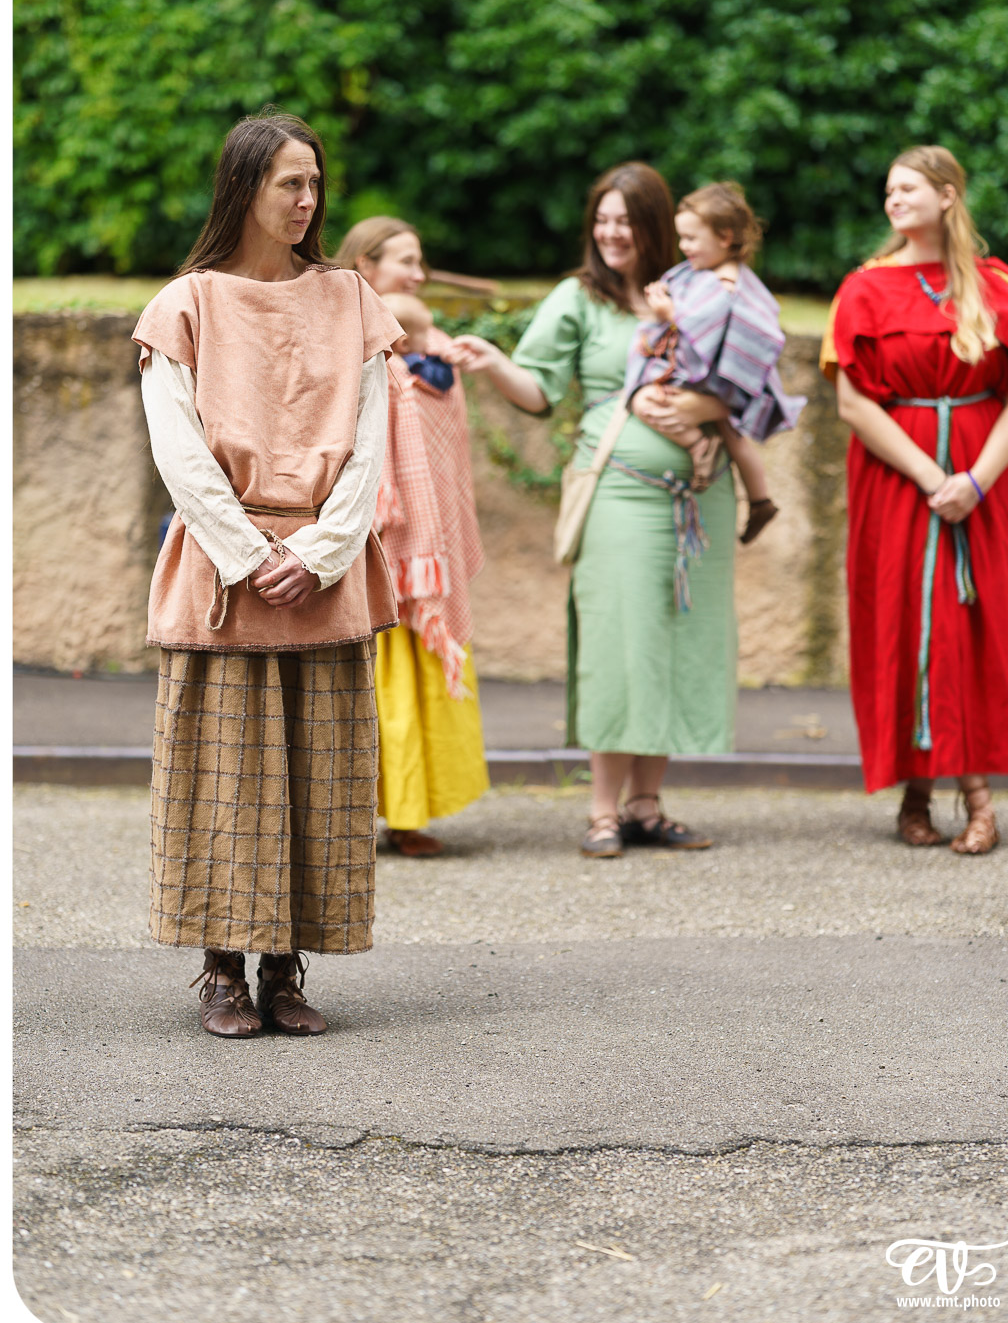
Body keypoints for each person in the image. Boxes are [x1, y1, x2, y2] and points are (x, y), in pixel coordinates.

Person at [133, 110, 402, 1037]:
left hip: (322, 572)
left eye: (315, 183)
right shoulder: (188, 303)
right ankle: (220, 970)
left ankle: (285, 966)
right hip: (226, 574)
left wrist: (321, 551)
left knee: (317, 777)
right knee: (226, 774)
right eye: (290, 182)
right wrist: (249, 556)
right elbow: (179, 450)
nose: (307, 199)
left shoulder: (351, 299)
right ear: (245, 187)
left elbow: (372, 442)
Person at [451, 162, 737, 858]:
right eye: (600, 220)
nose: (610, 232)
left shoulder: (694, 290)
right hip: (619, 490)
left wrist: (699, 414)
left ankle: (647, 804)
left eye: (624, 220)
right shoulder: (578, 298)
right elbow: (540, 389)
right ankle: (602, 810)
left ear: (655, 225)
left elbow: (744, 378)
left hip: (699, 496)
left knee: (677, 639)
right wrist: (493, 362)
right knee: (620, 640)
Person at [821, 145, 1008, 854]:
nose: (892, 199)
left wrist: (974, 480)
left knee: (977, 621)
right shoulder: (861, 288)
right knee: (903, 619)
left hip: (985, 479)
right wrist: (930, 477)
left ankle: (977, 795)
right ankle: (914, 792)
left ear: (947, 194)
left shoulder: (997, 285)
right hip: (897, 477)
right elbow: (853, 404)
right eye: (887, 189)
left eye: (907, 187)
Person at [334, 218, 489, 857]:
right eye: (407, 262)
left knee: (416, 682)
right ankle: (351, 814)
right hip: (374, 545)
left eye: (422, 263)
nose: (419, 274)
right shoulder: (349, 344)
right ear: (366, 266)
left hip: (427, 553)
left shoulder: (435, 349)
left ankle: (409, 811)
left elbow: (446, 457)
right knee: (371, 686)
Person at [624, 180, 805, 543]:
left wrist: (667, 311)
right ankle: (760, 499)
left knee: (643, 401)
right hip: (717, 386)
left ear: (724, 237)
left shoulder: (724, 285)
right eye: (682, 238)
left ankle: (697, 444)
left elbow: (700, 331)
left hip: (713, 383)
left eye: (691, 238)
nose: (683, 247)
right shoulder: (717, 275)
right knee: (734, 437)